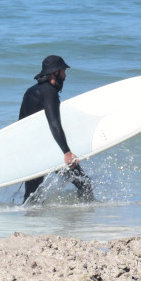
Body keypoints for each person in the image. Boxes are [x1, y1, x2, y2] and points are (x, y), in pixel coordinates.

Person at [20, 55, 93, 203]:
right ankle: (86, 216)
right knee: (84, 183)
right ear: (55, 73)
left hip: (31, 150)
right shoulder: (49, 92)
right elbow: (54, 122)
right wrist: (66, 151)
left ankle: (28, 222)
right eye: (63, 71)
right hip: (48, 149)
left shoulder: (30, 91)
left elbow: (21, 123)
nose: (65, 75)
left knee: (31, 195)